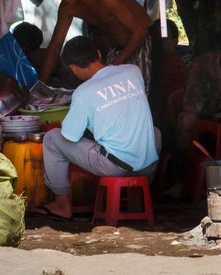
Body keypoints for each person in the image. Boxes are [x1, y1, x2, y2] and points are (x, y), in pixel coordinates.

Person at [36, 36, 159, 220]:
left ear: (73, 68)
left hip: (115, 166)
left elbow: (70, 136)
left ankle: (62, 204)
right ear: (99, 54)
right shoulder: (133, 71)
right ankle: (136, 201)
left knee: (53, 139)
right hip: (148, 163)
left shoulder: (83, 92)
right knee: (154, 132)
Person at [37, 0, 156, 91]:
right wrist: (40, 86)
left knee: (139, 96)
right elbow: (54, 48)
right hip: (117, 52)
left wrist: (113, 67)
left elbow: (140, 32)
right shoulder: (67, 7)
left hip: (145, 45)